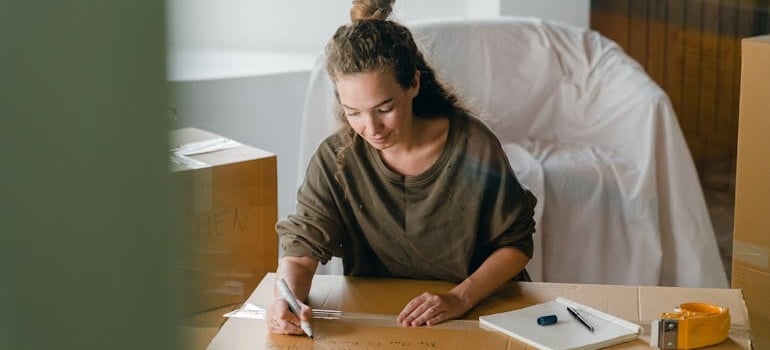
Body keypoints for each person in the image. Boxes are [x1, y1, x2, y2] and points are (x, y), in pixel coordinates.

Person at [267, 0, 536, 335]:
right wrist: (287, 302)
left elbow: (516, 244)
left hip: (478, 312)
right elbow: (300, 251)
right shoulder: (335, 158)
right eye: (353, 112)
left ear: (413, 84)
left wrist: (459, 299)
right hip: (380, 319)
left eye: (384, 108)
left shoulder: (473, 146)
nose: (371, 128)